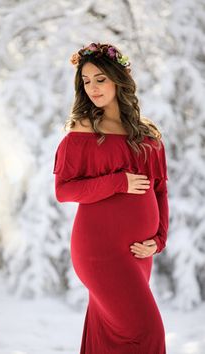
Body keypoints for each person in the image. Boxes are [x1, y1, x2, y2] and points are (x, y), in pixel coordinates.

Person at [53, 42, 169, 354]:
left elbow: (159, 191)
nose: (92, 88)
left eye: (100, 79)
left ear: (118, 79)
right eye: (86, 81)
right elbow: (64, 190)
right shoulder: (82, 130)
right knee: (147, 332)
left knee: (110, 337)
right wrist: (117, 182)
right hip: (98, 251)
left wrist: (158, 240)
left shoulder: (147, 135)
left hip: (138, 253)